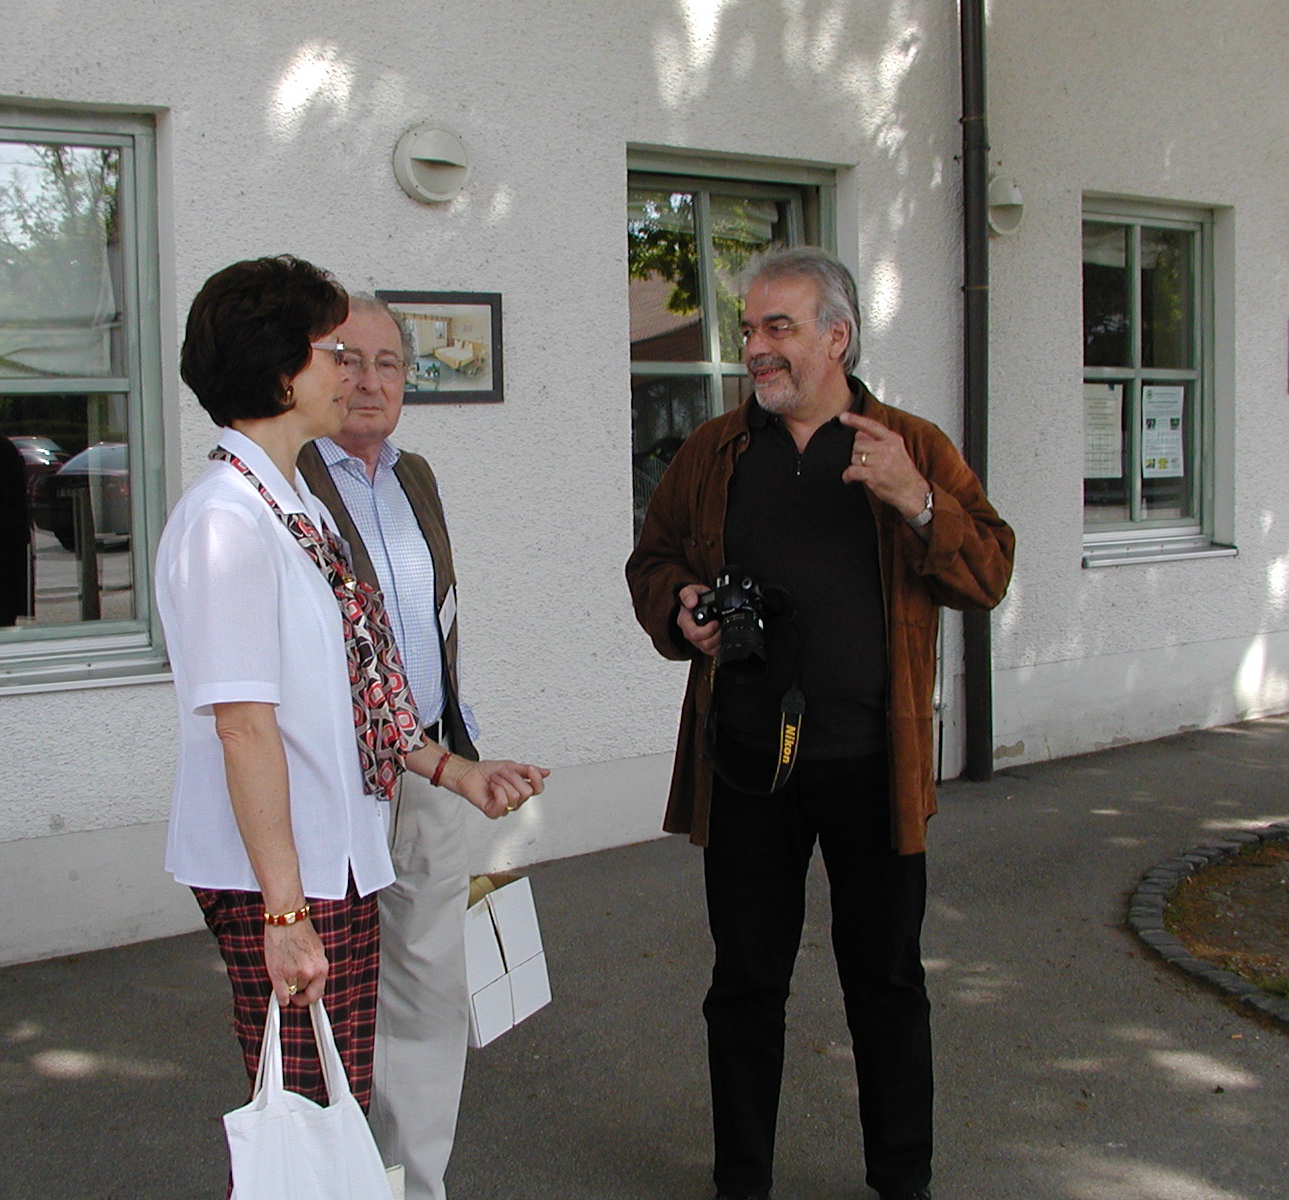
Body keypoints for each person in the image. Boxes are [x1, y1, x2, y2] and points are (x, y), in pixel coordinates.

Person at [625, 246, 1014, 1200]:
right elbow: (653, 560)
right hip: (747, 766)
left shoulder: (907, 444)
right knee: (744, 986)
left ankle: (902, 1181)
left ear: (837, 337)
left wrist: (918, 502)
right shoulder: (715, 452)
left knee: (887, 983)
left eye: (779, 327)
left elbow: (989, 572)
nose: (756, 347)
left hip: (875, 764)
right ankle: (741, 1183)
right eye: (749, 329)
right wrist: (681, 608)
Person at [155, 255, 546, 1133]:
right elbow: (244, 729)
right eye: (332, 351)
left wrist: (451, 769)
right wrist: (285, 913)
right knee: (305, 1124)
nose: (352, 372)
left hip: (332, 852)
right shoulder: (226, 520)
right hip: (287, 871)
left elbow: (361, 682)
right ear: (281, 370)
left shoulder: (290, 503)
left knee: (336, 1109)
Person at [294, 295, 482, 1200]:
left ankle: (413, 1186)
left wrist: (460, 738)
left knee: (429, 994)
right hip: (340, 785)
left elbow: (435, 618)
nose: (368, 380)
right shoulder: (288, 480)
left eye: (388, 363)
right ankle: (332, 1181)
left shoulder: (419, 478)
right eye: (348, 358)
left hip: (433, 772)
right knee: (328, 1005)